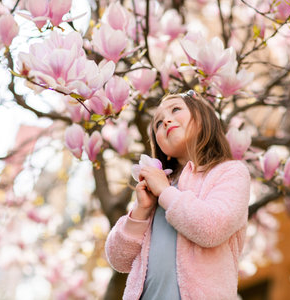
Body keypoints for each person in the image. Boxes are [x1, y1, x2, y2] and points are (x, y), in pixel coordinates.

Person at [105, 90, 251, 300]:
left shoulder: (230, 172)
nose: (166, 121)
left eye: (175, 109)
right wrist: (140, 212)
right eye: (157, 123)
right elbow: (118, 258)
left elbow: (212, 228)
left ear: (202, 119)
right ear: (164, 150)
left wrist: (165, 192)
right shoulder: (158, 188)